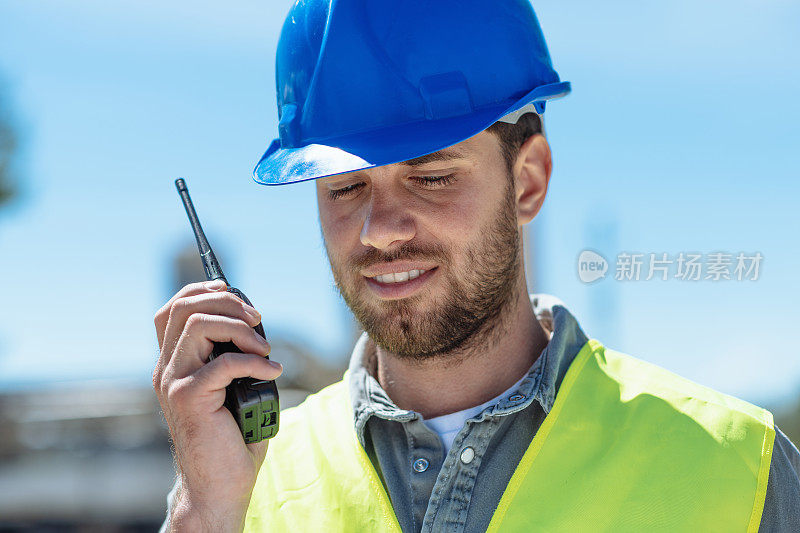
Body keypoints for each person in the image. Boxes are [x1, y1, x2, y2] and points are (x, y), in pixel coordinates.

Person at [153, 1, 800, 531]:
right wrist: (203, 513)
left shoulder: (739, 468)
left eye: (431, 176)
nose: (379, 231)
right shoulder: (247, 480)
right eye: (344, 188)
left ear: (528, 181)